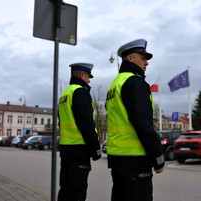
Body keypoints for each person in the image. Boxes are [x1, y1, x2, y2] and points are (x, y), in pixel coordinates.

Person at [105, 39, 165, 201]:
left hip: (118, 158)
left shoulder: (115, 85)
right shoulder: (135, 83)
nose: (146, 63)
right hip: (135, 160)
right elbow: (143, 124)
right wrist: (158, 158)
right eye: (143, 57)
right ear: (131, 58)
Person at [57, 63, 101, 201]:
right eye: (88, 77)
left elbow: (61, 122)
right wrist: (95, 149)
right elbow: (86, 123)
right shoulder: (80, 92)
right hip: (79, 151)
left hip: (66, 149)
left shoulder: (65, 94)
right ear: (82, 75)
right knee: (77, 192)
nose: (89, 81)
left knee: (65, 190)